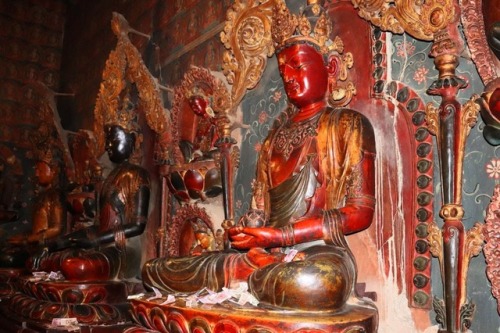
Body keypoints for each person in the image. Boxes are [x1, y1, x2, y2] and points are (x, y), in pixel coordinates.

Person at [143, 0, 376, 311]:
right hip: (266, 255)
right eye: (283, 70)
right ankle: (250, 272)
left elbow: (360, 212)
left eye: (300, 65)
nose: (289, 76)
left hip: (317, 253)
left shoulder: (347, 124)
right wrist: (247, 229)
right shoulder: (273, 138)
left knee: (317, 283)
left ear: (330, 68)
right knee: (156, 271)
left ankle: (249, 276)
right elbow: (260, 211)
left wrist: (281, 236)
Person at [33, 123, 151, 281]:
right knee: (45, 260)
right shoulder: (108, 180)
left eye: (114, 140)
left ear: (131, 139)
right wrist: (52, 245)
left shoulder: (137, 175)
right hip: (101, 247)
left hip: (124, 251)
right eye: (107, 140)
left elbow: (137, 226)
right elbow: (97, 227)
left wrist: (96, 240)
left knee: (77, 266)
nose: (108, 145)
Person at [0, 157, 65, 268]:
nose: (36, 174)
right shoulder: (42, 195)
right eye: (36, 170)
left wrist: (26, 240)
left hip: (46, 247)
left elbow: (57, 228)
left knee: (7, 258)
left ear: (53, 171)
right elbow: (38, 227)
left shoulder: (55, 196)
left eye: (40, 171)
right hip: (34, 244)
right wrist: (23, 238)